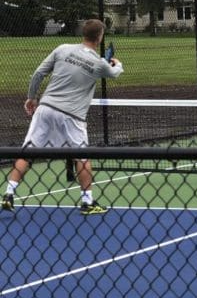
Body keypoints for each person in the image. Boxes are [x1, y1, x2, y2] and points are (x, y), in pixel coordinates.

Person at [3, 19, 124, 215]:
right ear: (100, 37)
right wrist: (117, 63)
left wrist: (31, 98)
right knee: (83, 157)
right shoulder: (99, 63)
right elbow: (115, 73)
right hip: (72, 116)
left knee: (28, 151)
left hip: (45, 108)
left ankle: (8, 193)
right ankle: (87, 202)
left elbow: (38, 73)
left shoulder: (62, 49)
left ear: (83, 34)